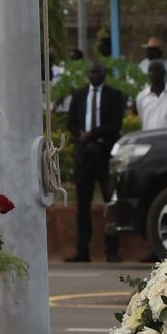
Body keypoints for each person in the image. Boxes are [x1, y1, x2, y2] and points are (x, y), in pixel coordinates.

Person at [65, 60, 124, 263]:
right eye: (92, 72)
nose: (95, 75)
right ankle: (82, 250)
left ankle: (112, 251)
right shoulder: (79, 95)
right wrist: (82, 137)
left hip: (105, 153)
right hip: (84, 155)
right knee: (83, 203)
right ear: (87, 74)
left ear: (104, 73)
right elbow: (70, 123)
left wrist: (93, 135)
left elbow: (115, 124)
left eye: (98, 72)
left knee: (110, 201)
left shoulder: (114, 95)